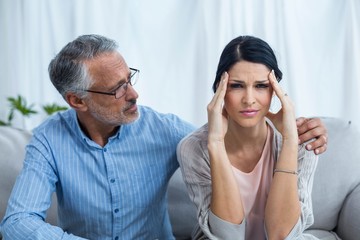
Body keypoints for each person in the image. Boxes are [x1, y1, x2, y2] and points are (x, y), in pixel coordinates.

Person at [0, 34, 326, 239]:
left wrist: (299, 131)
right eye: (117, 88)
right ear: (77, 100)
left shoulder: (165, 130)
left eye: (130, 79)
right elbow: (17, 223)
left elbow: (223, 142)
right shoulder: (48, 141)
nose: (134, 94)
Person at [177, 35, 321, 239]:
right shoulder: (194, 148)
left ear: (275, 90)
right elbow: (228, 236)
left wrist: (290, 141)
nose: (249, 100)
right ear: (220, 88)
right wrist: (216, 144)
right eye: (236, 85)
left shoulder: (300, 141)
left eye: (261, 86)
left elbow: (282, 235)